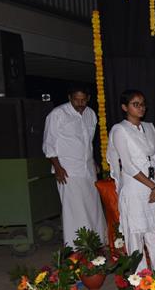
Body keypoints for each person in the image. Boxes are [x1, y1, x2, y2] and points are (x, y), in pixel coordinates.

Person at [106, 90, 155, 272]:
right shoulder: (120, 130)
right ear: (125, 107)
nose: (140, 107)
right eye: (135, 104)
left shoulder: (149, 127)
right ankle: (141, 277)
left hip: (154, 186)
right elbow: (127, 164)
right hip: (135, 187)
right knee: (136, 234)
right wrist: (154, 187)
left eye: (142, 104)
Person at [42, 85, 107, 246]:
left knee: (93, 208)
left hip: (87, 170)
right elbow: (48, 144)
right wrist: (57, 167)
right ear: (70, 98)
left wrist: (93, 162)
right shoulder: (58, 114)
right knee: (74, 210)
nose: (80, 103)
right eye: (76, 100)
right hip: (67, 170)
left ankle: (96, 243)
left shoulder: (91, 114)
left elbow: (87, 143)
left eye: (83, 100)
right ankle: (76, 248)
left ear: (88, 99)